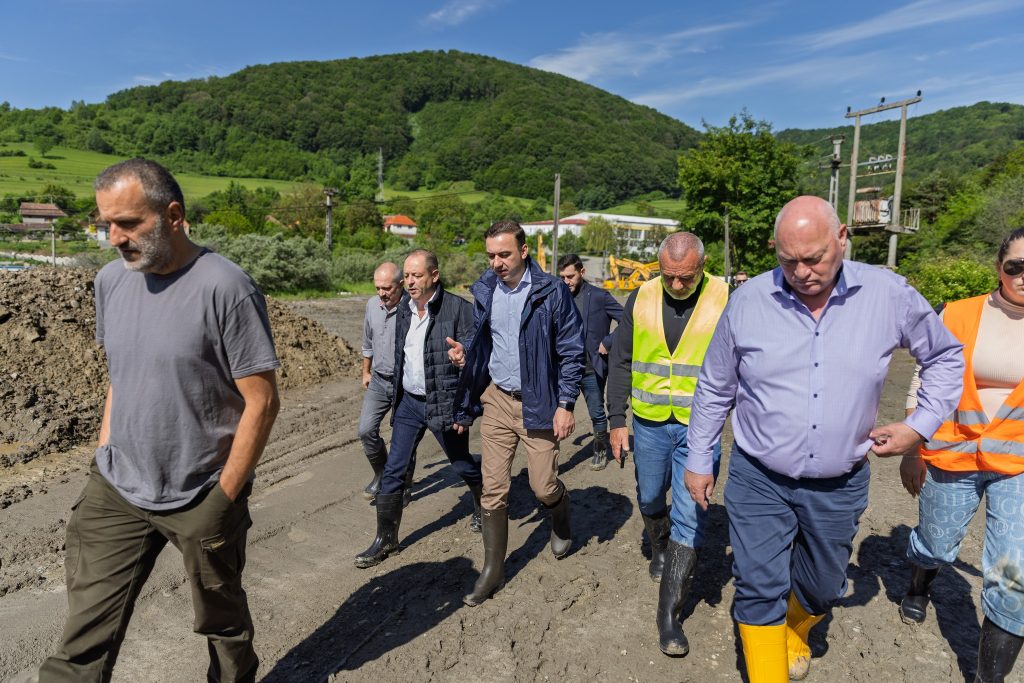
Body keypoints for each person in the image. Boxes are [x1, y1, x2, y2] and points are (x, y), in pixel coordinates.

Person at [683, 195, 964, 682]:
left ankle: (796, 628)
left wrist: (918, 426)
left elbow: (944, 357)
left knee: (823, 587)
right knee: (758, 586)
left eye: (814, 258)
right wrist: (698, 458)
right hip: (758, 477)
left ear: (842, 239)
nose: (802, 272)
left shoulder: (888, 295)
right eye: (787, 260)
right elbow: (715, 385)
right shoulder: (748, 302)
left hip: (840, 482)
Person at [39, 159, 281, 682]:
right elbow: (121, 376)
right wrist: (104, 452)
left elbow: (262, 402)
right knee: (82, 638)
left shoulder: (226, 287)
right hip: (117, 487)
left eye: (128, 223)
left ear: (173, 215)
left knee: (223, 623)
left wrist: (224, 499)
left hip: (201, 492)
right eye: (107, 224)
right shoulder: (111, 280)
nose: (114, 238)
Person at [899, 227, 1024, 683]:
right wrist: (913, 448)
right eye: (1016, 266)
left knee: (1015, 575)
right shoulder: (958, 313)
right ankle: (920, 584)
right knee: (936, 543)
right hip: (953, 452)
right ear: (999, 267)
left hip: (1018, 464)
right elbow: (924, 378)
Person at [449, 219, 585, 607]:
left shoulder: (551, 291)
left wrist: (565, 404)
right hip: (496, 399)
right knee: (493, 488)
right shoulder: (486, 288)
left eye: (504, 254)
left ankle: (560, 511)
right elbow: (482, 338)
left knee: (543, 487)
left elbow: (572, 350)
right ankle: (492, 570)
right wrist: (465, 353)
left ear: (524, 251)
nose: (497, 263)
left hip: (539, 402)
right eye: (491, 255)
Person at [606, 232, 729, 657]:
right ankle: (659, 545)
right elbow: (620, 360)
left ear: (703, 266)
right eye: (668, 276)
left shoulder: (725, 298)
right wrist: (616, 421)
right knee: (649, 496)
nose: (676, 285)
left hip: (700, 428)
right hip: (650, 423)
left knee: (690, 516)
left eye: (686, 277)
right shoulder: (640, 297)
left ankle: (669, 616)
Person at [355, 249, 484, 568]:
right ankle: (386, 540)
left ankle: (482, 502)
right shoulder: (404, 309)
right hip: (410, 403)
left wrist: (465, 407)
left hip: (444, 402)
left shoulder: (458, 309)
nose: (410, 282)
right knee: (394, 471)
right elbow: (401, 357)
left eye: (417, 275)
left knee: (461, 464)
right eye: (408, 276)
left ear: (434, 276)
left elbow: (476, 359)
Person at [557, 253, 623, 470]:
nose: (566, 282)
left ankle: (600, 448)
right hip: (563, 369)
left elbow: (627, 320)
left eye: (570, 276)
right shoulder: (558, 295)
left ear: (582, 272)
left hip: (590, 369)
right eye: (562, 277)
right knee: (555, 413)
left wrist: (608, 341)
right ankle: (548, 459)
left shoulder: (599, 296)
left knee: (596, 413)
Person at [358, 262, 407, 504]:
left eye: (387, 288)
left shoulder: (412, 308)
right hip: (378, 380)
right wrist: (366, 372)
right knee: (366, 430)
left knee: (403, 438)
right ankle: (382, 474)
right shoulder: (371, 305)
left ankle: (401, 486)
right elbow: (367, 341)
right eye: (378, 287)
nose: (381, 293)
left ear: (402, 285)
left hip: (404, 384)